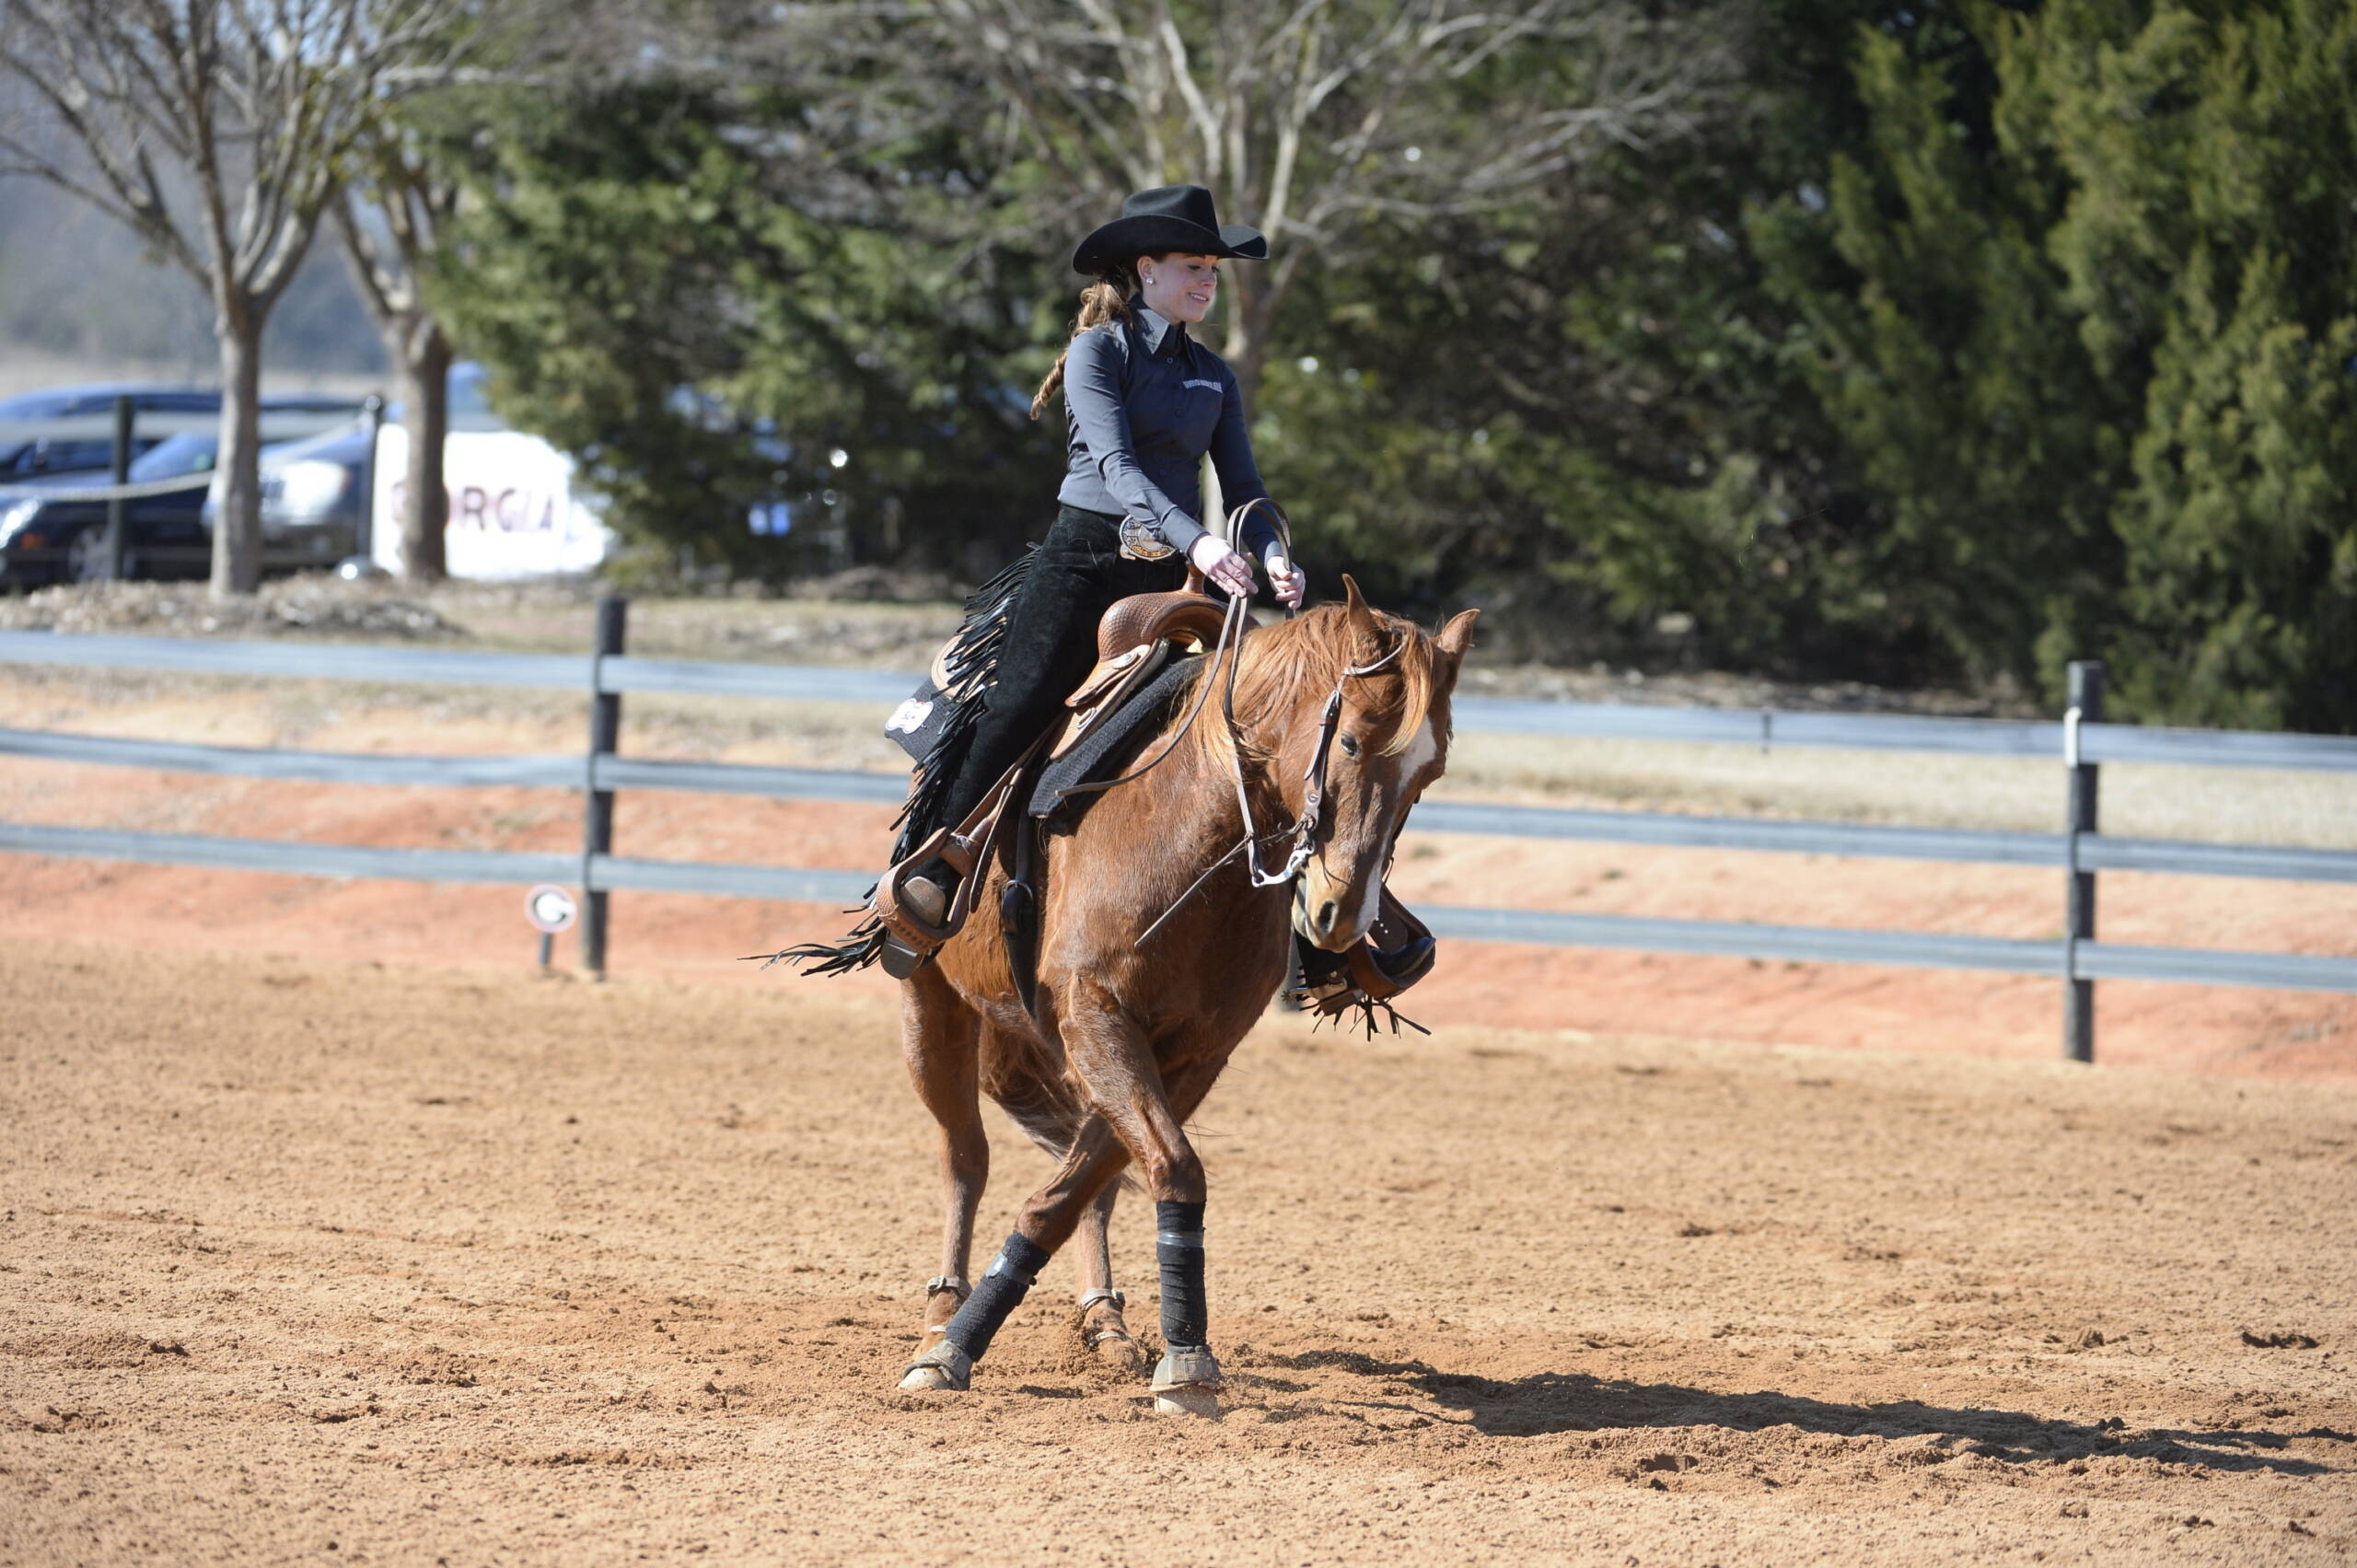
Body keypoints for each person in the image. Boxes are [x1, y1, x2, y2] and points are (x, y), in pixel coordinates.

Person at [891, 184, 1307, 930]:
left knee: (1257, 728)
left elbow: (1243, 485)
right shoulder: (1098, 351)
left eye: (1213, 268)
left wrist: (1274, 553)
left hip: (1164, 582)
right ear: (1146, 269)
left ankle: (1303, 917)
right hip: (1083, 566)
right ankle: (929, 873)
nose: (1208, 280)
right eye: (1193, 265)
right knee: (1017, 707)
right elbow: (1120, 469)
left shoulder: (1214, 376)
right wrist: (1202, 543)